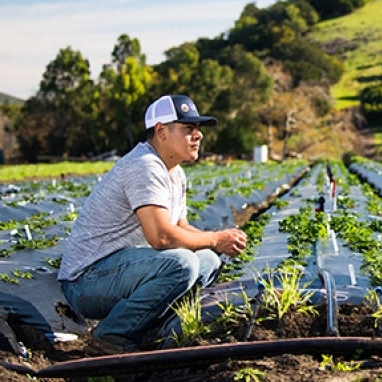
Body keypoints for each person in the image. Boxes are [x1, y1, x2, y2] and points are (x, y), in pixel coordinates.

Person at [58, 94, 247, 355]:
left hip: (123, 270)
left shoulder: (175, 172)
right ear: (161, 131)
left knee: (208, 260)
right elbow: (162, 238)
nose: (198, 135)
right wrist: (216, 239)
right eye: (188, 128)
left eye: (198, 129)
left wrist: (220, 241)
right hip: (87, 281)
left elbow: (180, 226)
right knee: (182, 264)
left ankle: (149, 329)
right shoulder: (144, 166)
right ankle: (111, 334)